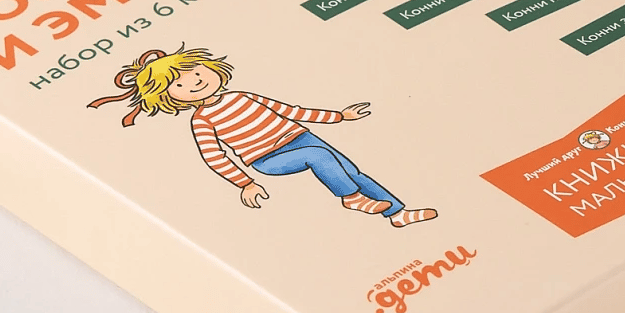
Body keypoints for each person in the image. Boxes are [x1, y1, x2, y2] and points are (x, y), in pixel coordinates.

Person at [88, 46, 437, 228]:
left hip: (301, 137)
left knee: (352, 171)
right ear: (169, 97)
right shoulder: (202, 119)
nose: (194, 82)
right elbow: (214, 157)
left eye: (196, 72)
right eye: (179, 83)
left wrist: (340, 116)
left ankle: (397, 212)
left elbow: (292, 110)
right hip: (268, 159)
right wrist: (245, 183)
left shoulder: (243, 96)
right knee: (320, 158)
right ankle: (350, 198)